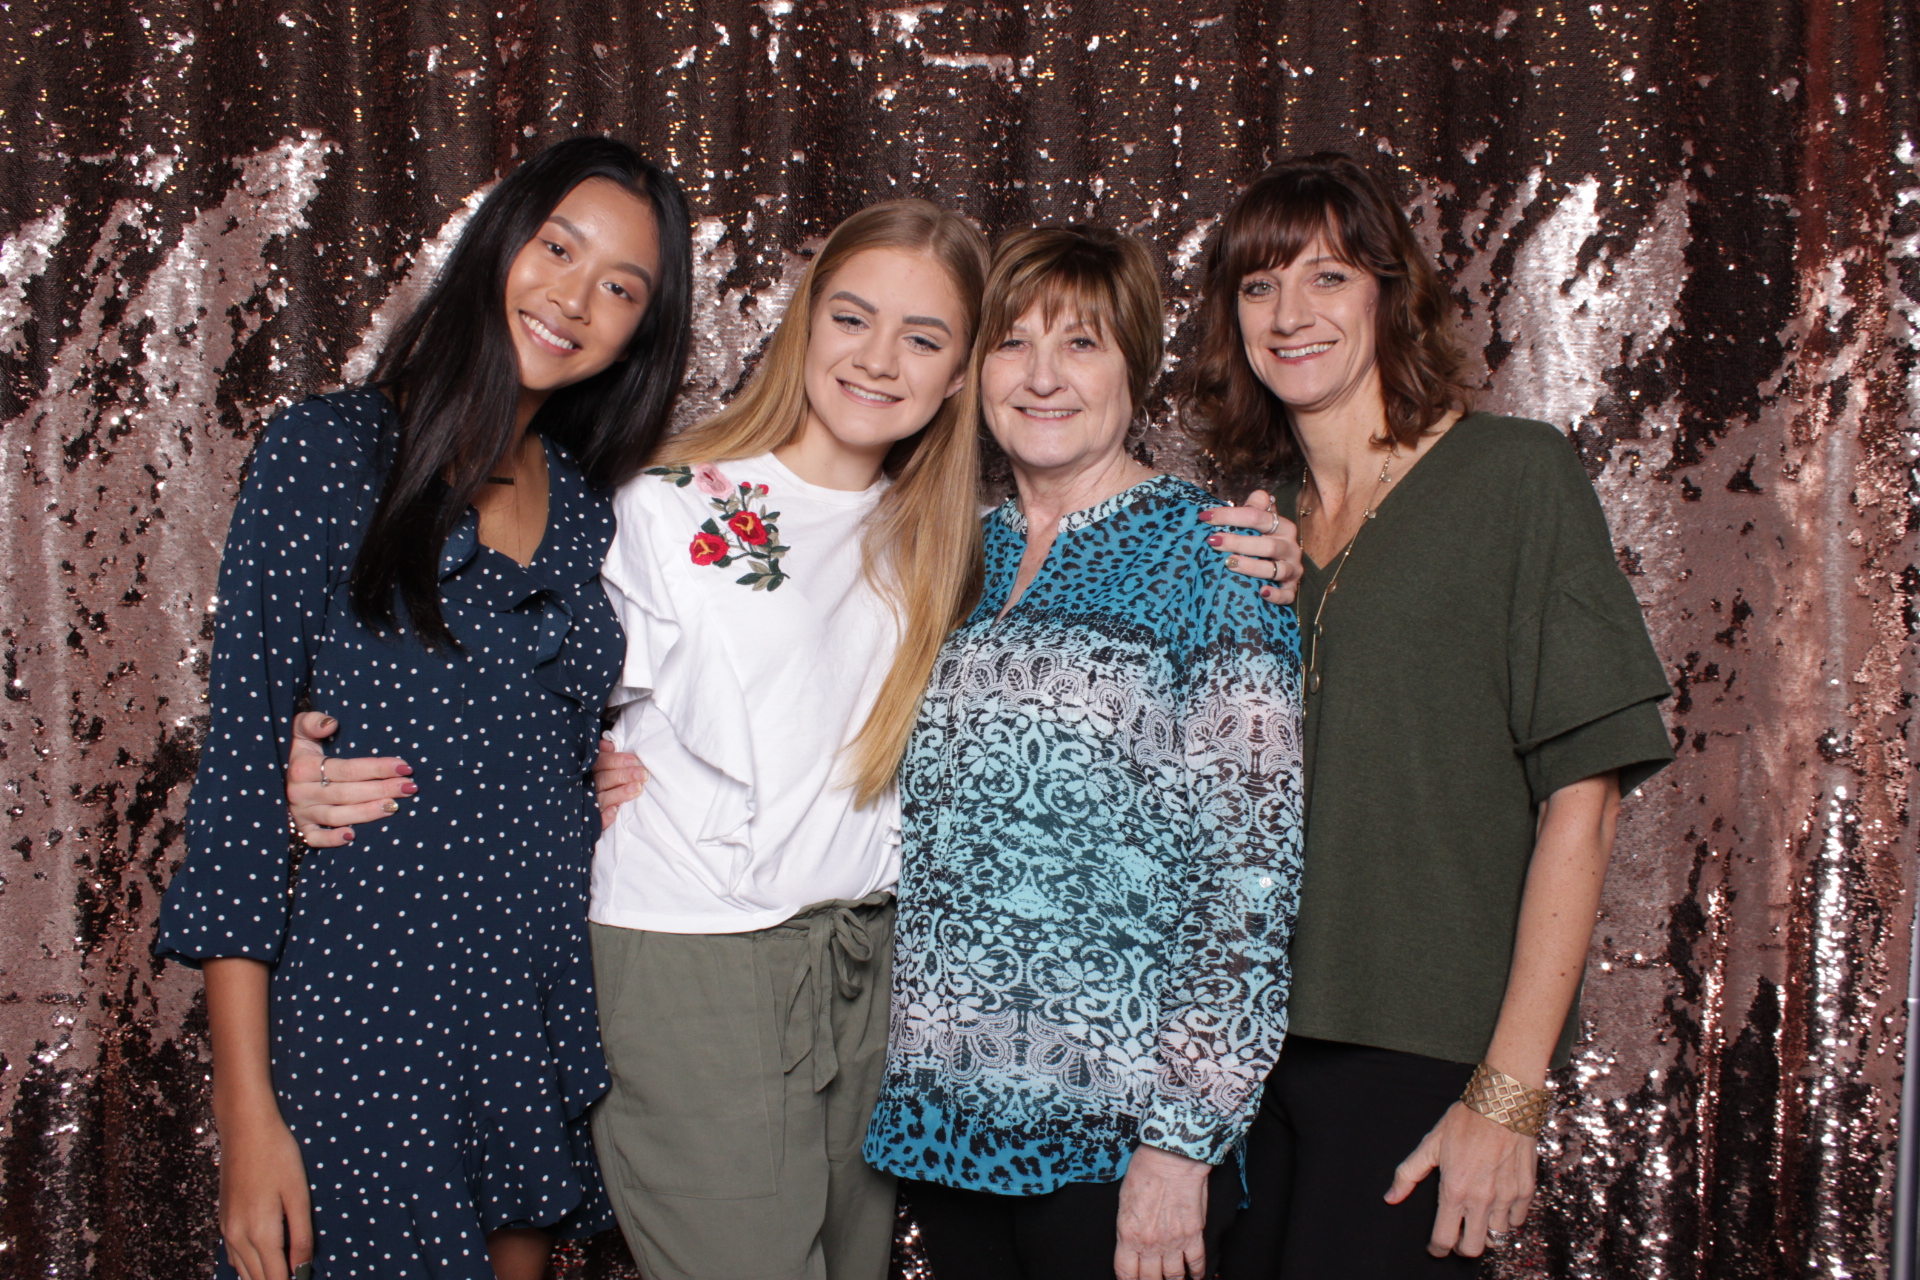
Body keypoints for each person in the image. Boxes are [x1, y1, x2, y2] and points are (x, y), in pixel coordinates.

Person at [289, 199, 990, 1280]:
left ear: (959, 377)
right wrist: (314, 762)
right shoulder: (668, 506)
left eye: (925, 337)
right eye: (853, 317)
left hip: (864, 964)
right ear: (806, 325)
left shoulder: (943, 542)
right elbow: (498, 693)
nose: (880, 358)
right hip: (697, 956)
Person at [155, 137, 694, 1280]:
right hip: (365, 1011)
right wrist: (248, 1116)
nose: (574, 298)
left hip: (526, 1011)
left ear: (638, 332)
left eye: (620, 288)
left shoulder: (598, 510)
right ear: (502, 237)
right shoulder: (326, 454)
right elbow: (247, 785)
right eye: (559, 247)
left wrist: (585, 764)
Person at [1187, 153, 1674, 1277]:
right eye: (1259, 286)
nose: (1291, 314)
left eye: (1327, 277)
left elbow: (1583, 805)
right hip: (1235, 1061)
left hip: (1417, 1055)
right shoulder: (1244, 527)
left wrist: (1506, 1095)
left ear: (1388, 292)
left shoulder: (1514, 478)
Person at [859, 224, 1305, 1280]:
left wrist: (1182, 1139)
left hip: (1114, 1126)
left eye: (1084, 344)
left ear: (1138, 368)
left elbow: (1251, 872)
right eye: (1014, 344)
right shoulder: (949, 551)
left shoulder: (1215, 554)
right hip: (944, 1109)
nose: (1044, 376)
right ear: (976, 373)